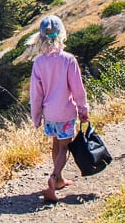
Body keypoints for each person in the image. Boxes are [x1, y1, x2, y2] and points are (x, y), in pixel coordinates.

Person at [29, 15, 89, 202]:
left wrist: (36, 116)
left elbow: (35, 94)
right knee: (65, 147)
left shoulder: (39, 62)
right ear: (62, 34)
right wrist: (83, 109)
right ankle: (53, 179)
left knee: (56, 144)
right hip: (65, 112)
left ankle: (61, 179)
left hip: (49, 114)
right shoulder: (68, 60)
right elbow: (77, 88)